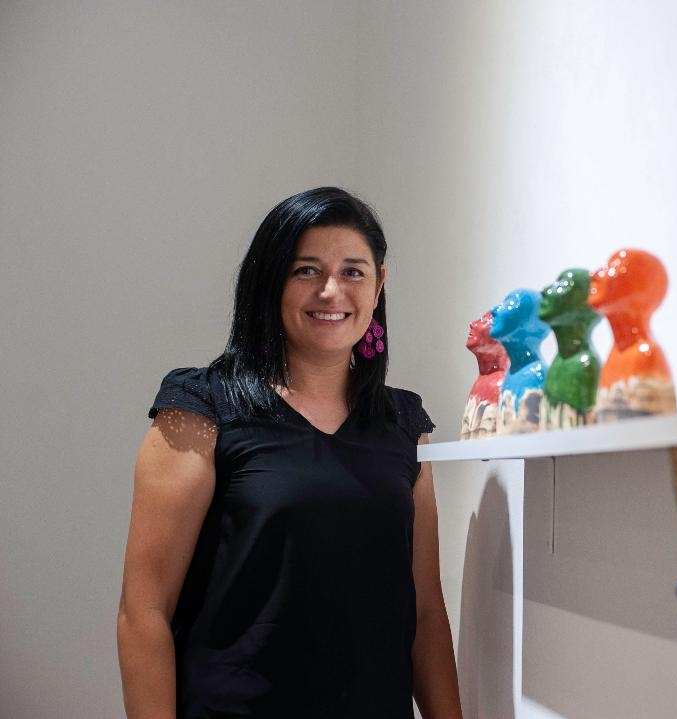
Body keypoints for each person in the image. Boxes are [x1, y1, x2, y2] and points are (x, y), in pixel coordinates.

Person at [116, 187, 462, 718]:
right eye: (306, 270)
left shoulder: (403, 424)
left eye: (352, 271)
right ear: (271, 280)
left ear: (378, 285)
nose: (331, 290)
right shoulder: (202, 406)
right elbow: (144, 613)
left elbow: (426, 614)